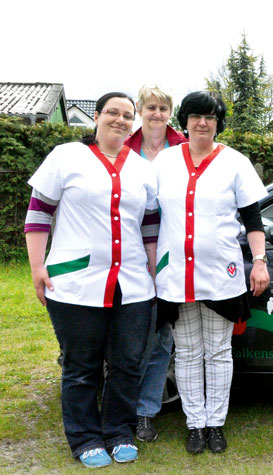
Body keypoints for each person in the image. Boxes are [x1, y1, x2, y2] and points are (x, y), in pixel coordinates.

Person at [25, 92, 156, 467]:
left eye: (127, 115)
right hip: (75, 282)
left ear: (134, 122)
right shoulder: (67, 157)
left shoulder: (142, 168)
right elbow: (38, 214)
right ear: (96, 117)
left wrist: (151, 269)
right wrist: (38, 267)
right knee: (82, 366)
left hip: (132, 285)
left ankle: (118, 431)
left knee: (128, 363)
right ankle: (84, 437)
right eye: (112, 112)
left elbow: (149, 224)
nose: (120, 120)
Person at [153, 90, 269, 455]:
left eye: (211, 117)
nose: (203, 123)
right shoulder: (165, 162)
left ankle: (216, 423)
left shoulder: (235, 162)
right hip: (176, 275)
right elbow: (147, 215)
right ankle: (195, 424)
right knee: (187, 352)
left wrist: (260, 260)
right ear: (184, 121)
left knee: (218, 351)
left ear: (219, 122)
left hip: (221, 272)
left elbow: (252, 218)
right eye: (196, 116)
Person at [124, 85, 188, 443]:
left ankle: (146, 412)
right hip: (127, 251)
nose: (157, 114)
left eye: (164, 108)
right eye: (151, 106)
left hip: (171, 252)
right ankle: (121, 409)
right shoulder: (123, 146)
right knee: (128, 338)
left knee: (162, 335)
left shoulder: (182, 148)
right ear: (139, 109)